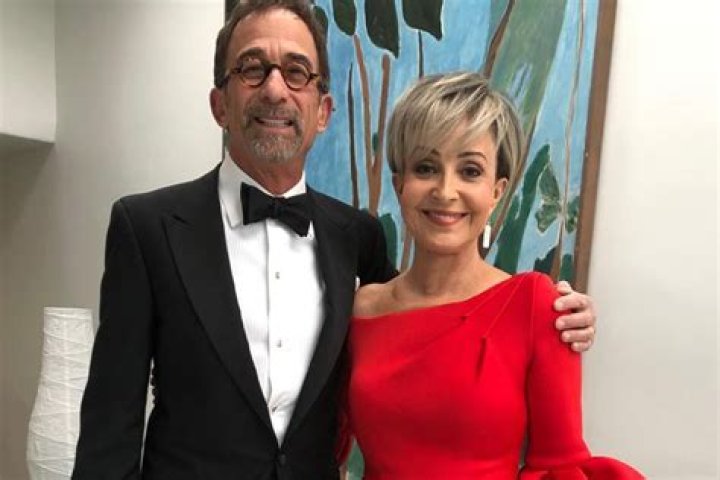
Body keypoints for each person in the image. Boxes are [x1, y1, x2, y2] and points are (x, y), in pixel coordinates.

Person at [72, 2, 597, 479]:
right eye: (252, 68)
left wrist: (567, 314)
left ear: (322, 110)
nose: (275, 89)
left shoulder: (356, 237)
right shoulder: (147, 228)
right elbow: (109, 428)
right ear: (219, 104)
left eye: (296, 72)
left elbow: (437, 333)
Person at [341, 72, 642, 479]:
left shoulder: (537, 305)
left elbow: (558, 466)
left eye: (469, 171)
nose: (446, 191)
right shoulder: (361, 309)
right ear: (400, 185)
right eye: (427, 168)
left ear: (497, 191)